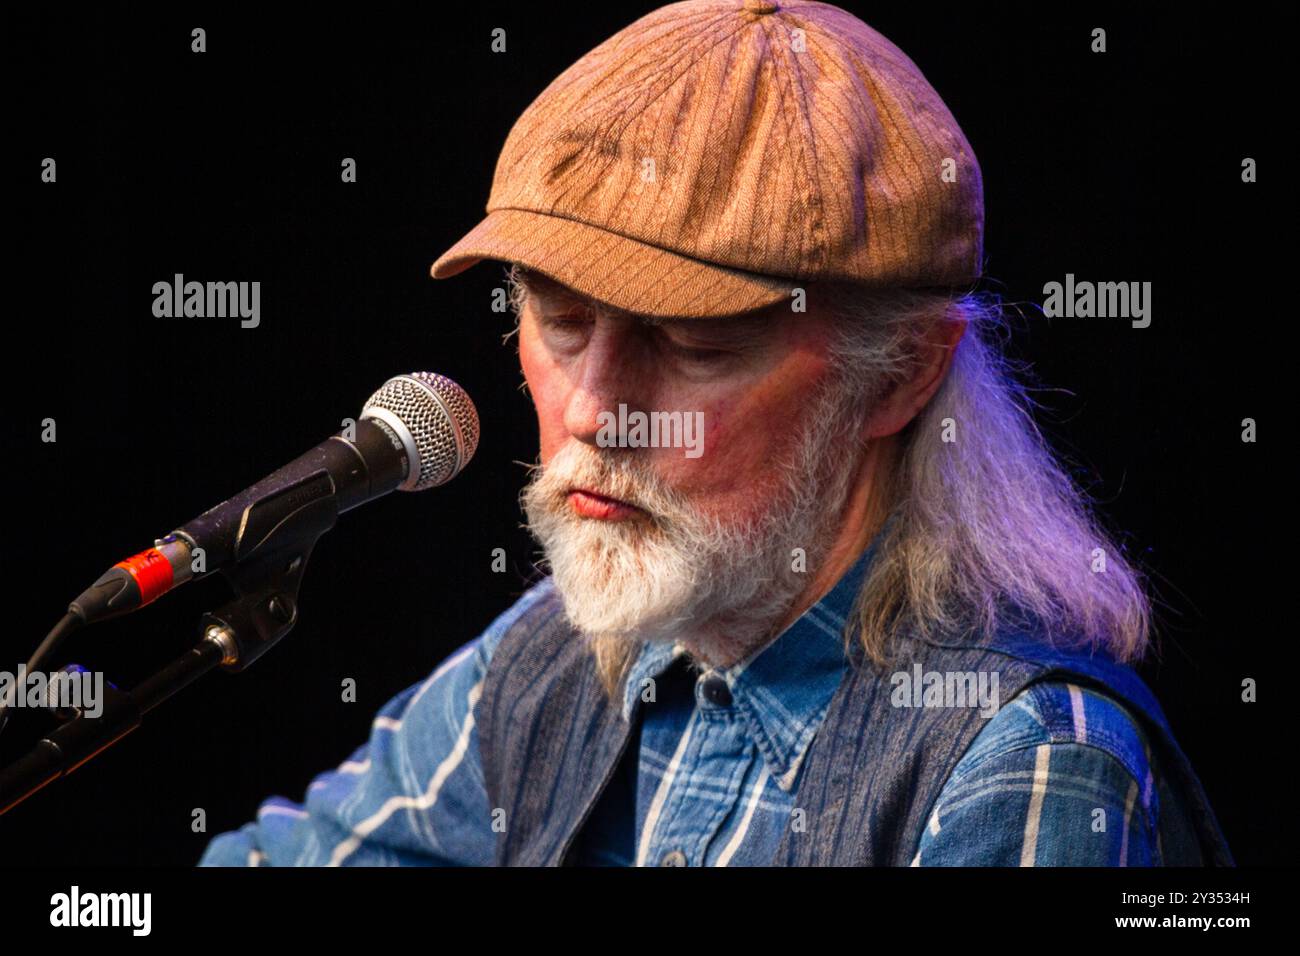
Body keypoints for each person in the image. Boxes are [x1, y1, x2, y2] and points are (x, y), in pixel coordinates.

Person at [199, 0, 1231, 866]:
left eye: (690, 346)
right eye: (560, 323)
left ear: (901, 372)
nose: (597, 409)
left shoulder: (1022, 755)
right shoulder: (547, 659)